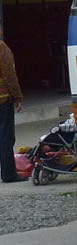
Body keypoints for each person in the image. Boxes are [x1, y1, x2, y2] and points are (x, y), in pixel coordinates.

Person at [0, 27, 24, 183]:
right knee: (6, 137)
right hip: (3, 99)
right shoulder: (1, 47)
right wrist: (17, 96)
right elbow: (9, 73)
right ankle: (9, 173)